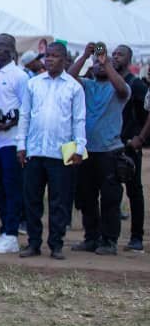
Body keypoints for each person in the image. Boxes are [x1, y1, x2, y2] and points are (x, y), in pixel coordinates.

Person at [17, 42, 86, 259]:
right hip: (35, 150)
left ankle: (56, 244)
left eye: (55, 56)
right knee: (32, 199)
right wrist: (21, 145)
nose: (49, 59)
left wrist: (79, 148)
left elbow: (79, 120)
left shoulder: (74, 87)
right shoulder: (33, 84)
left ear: (65, 60)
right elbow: (25, 115)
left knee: (59, 200)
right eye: (47, 56)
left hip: (61, 152)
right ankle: (33, 243)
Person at [69, 42, 130, 255]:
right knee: (86, 197)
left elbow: (122, 88)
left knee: (110, 199)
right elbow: (69, 78)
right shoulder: (86, 85)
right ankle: (91, 238)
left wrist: (107, 63)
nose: (99, 65)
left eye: (104, 63)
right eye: (97, 64)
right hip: (86, 150)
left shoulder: (118, 88)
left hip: (110, 151)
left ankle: (109, 241)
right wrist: (86, 55)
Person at [0, 34, 29, 254]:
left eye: (2, 46)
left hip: (13, 140)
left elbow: (27, 108)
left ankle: (12, 233)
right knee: (0, 189)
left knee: (12, 188)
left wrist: (10, 123)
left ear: (12, 50)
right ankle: (4, 232)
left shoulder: (20, 76)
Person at [113, 45, 146, 251]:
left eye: (120, 54)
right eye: (114, 54)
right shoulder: (107, 80)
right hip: (110, 144)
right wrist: (97, 52)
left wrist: (140, 138)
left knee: (134, 192)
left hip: (129, 145)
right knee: (109, 191)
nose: (116, 57)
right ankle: (106, 236)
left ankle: (136, 237)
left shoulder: (137, 85)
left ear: (129, 59)